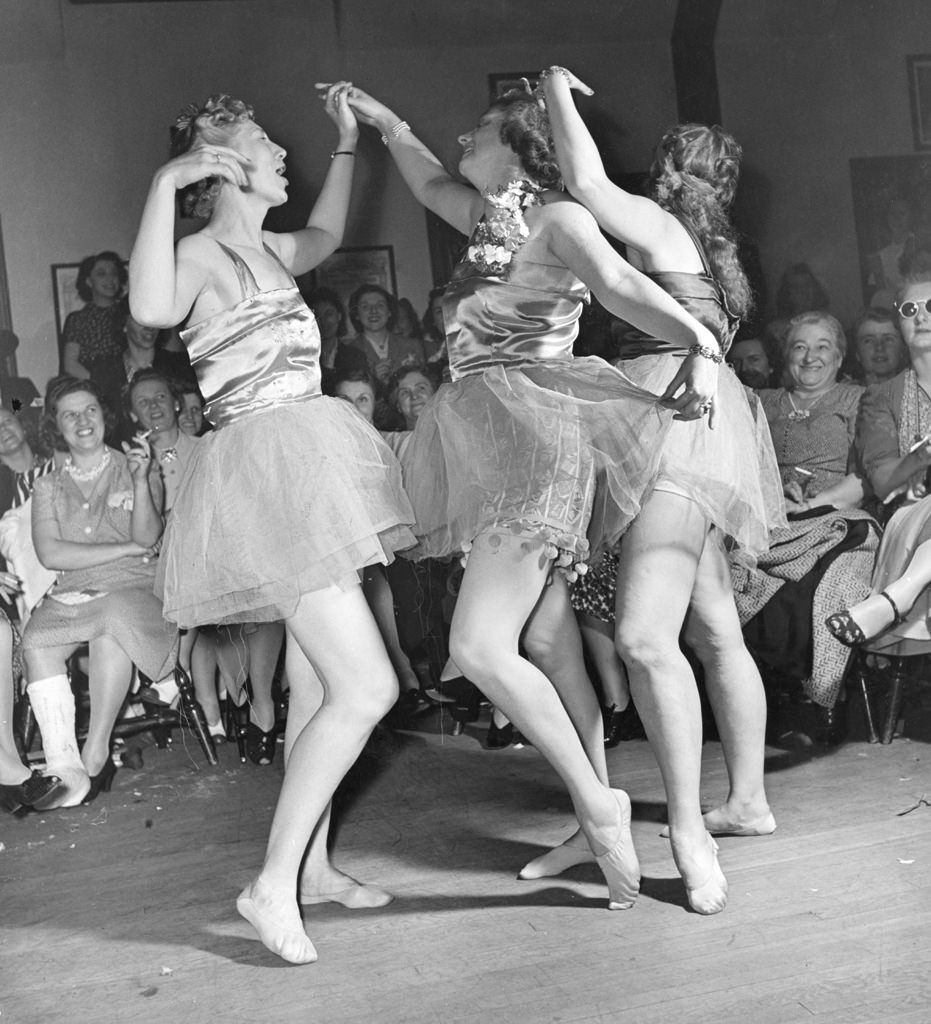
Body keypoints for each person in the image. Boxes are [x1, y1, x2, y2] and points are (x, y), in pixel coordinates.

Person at [344, 77, 728, 916]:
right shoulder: (488, 226)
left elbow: (624, 290)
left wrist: (698, 340)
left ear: (519, 149)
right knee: (546, 640)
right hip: (485, 440)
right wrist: (384, 120)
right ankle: (587, 813)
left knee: (479, 646)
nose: (460, 146)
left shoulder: (559, 219)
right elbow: (421, 175)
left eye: (476, 133)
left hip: (533, 438)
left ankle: (599, 802)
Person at [129, 86, 415, 964]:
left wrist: (344, 144)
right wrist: (165, 179)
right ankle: (269, 883)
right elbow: (147, 308)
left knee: (325, 689)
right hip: (268, 481)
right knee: (369, 690)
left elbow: (326, 237)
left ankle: (316, 870)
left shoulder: (272, 248)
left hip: (306, 466)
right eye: (261, 139)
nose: (277, 150)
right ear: (219, 165)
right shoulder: (201, 253)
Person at [537, 67, 784, 913]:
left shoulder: (664, 228)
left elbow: (584, 181)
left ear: (670, 172)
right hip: (698, 437)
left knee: (646, 637)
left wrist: (557, 95)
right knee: (712, 624)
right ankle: (746, 798)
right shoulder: (718, 255)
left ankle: (691, 832)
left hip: (669, 432)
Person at [23, 376, 176, 808]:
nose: (82, 421)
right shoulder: (47, 487)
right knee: (37, 640)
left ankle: (97, 748)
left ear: (104, 415)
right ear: (56, 426)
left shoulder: (134, 464)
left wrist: (142, 479)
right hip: (73, 589)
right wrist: (128, 546)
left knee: (112, 622)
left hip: (133, 584)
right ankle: (64, 765)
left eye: (90, 409)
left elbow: (149, 534)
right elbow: (51, 553)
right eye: (70, 415)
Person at [733, 313, 877, 733]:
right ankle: (762, 699)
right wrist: (773, 499)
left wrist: (814, 503)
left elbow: (866, 475)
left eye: (822, 346)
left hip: (839, 515)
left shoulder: (858, 399)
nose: (810, 356)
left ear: (839, 356)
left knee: (823, 579)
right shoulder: (764, 402)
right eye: (799, 346)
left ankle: (819, 697)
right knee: (733, 571)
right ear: (785, 355)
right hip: (768, 516)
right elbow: (743, 466)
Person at [827, 274, 931, 652]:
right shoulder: (882, 397)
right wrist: (921, 457)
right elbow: (885, 483)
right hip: (914, 518)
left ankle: (895, 599)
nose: (921, 317)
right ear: (901, 321)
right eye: (910, 309)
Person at [60, 252, 127, 379]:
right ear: (89, 281)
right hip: (92, 386)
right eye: (101, 274)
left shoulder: (129, 315)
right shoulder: (78, 319)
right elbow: (70, 365)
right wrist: (101, 384)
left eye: (114, 273)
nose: (110, 279)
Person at [848, 308, 909, 386]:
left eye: (888, 339)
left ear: (902, 348)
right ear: (857, 353)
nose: (879, 347)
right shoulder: (845, 396)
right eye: (868, 340)